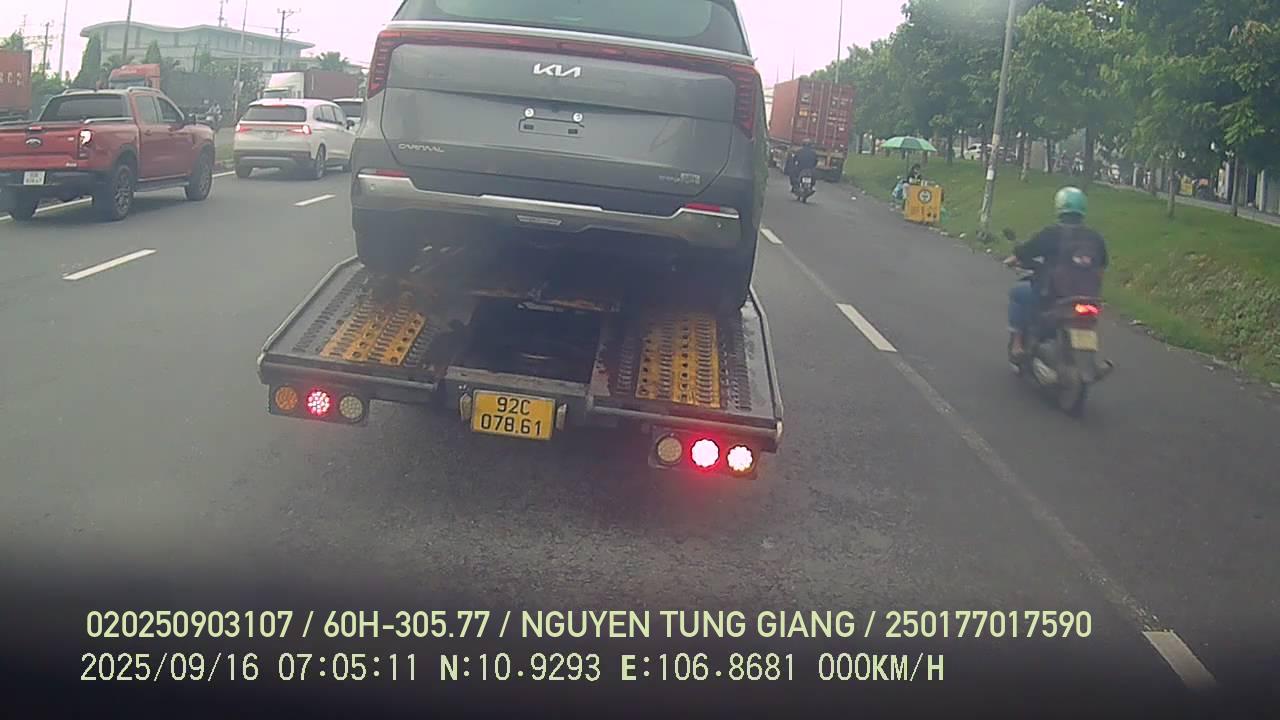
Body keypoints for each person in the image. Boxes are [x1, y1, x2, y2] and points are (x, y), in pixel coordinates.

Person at [1003, 187, 1108, 358]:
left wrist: (1010, 260)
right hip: (1089, 298)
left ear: (1059, 206)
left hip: (1053, 295)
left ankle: (1017, 344)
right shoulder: (1095, 237)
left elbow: (1024, 252)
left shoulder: (1051, 234)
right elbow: (1102, 267)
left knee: (1017, 294)